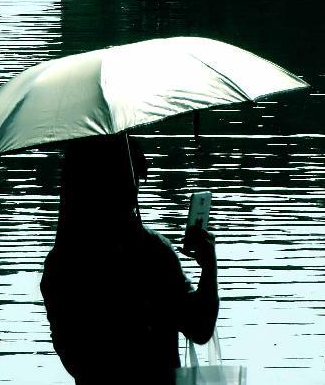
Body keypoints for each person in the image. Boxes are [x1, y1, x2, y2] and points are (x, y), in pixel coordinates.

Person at [41, 136, 218, 384]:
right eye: (130, 178)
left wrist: (208, 267)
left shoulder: (62, 263)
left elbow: (74, 358)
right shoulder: (154, 253)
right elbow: (199, 327)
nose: (135, 187)